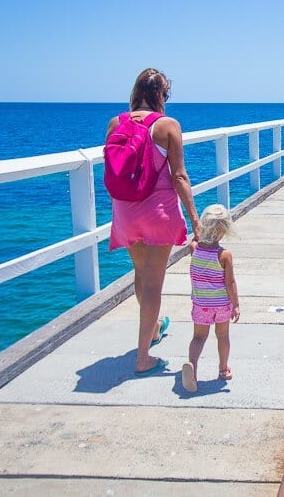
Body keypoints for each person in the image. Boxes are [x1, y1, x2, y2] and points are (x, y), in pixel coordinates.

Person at [107, 68, 200, 377]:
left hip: (125, 211)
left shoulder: (116, 123)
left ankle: (155, 328)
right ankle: (143, 357)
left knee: (140, 271)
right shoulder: (167, 125)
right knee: (154, 282)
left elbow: (116, 170)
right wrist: (195, 220)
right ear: (162, 95)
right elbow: (179, 176)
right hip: (158, 211)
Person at [181, 204, 240, 393]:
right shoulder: (224, 255)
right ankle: (223, 369)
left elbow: (194, 241)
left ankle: (193, 368)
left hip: (201, 304)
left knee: (198, 337)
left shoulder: (194, 249)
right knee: (222, 336)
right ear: (223, 231)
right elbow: (230, 282)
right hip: (221, 305)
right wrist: (236, 305)